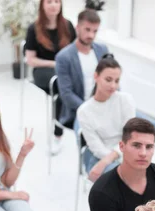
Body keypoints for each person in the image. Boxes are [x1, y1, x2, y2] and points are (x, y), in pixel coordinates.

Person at [54, 9, 107, 154]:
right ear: (78, 28)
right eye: (87, 30)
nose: (91, 35)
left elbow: (111, 79)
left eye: (95, 31)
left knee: (143, 127)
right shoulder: (64, 57)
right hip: (80, 109)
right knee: (97, 140)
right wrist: (91, 109)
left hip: (104, 105)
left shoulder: (102, 50)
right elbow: (66, 94)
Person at [25, 0, 75, 152]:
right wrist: (55, 64)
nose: (53, 5)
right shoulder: (34, 28)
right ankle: (58, 134)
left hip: (64, 70)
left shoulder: (68, 26)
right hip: (43, 71)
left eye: (57, 1)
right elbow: (31, 60)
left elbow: (74, 52)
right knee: (60, 84)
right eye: (49, 2)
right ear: (42, 5)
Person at [77, 54, 135, 181]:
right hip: (100, 156)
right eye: (108, 80)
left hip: (126, 153)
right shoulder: (84, 111)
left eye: (117, 81)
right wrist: (111, 159)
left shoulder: (125, 100)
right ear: (96, 76)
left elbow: (130, 137)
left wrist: (113, 158)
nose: (113, 86)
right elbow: (96, 147)